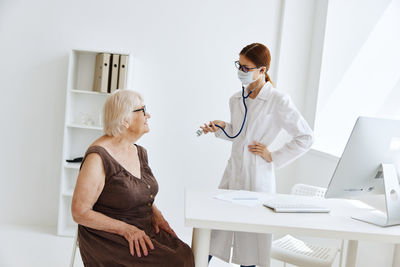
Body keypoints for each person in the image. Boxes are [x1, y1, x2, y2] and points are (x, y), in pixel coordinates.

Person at [200, 43, 314, 267]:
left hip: (257, 178)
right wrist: (223, 127)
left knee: (251, 246)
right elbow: (239, 135)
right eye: (239, 66)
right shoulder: (236, 98)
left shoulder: (278, 100)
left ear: (263, 70)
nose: (240, 72)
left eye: (246, 68)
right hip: (233, 175)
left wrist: (274, 156)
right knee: (213, 236)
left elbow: (306, 137)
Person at [71, 90, 194, 267]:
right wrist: (126, 230)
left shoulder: (138, 151)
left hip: (142, 226)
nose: (148, 115)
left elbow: (139, 190)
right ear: (125, 120)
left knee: (184, 253)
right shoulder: (98, 157)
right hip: (109, 236)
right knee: (174, 262)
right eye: (142, 110)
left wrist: (156, 213)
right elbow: (79, 212)